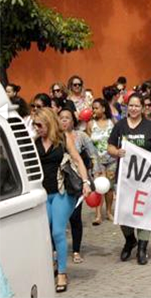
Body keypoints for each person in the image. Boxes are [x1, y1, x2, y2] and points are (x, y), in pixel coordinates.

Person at [33, 108, 91, 292]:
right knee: (46, 233)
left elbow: (78, 160)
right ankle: (54, 263)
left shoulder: (63, 139)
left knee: (58, 231)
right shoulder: (34, 142)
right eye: (35, 125)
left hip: (62, 192)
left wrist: (86, 182)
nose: (37, 128)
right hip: (43, 194)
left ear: (49, 122)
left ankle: (62, 274)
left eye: (39, 125)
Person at [107, 93, 151, 265]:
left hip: (145, 179)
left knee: (144, 212)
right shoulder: (120, 126)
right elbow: (110, 146)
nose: (133, 109)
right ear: (127, 107)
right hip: (125, 178)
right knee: (123, 212)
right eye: (131, 106)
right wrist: (117, 152)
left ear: (143, 108)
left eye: (137, 106)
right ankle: (129, 240)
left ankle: (142, 246)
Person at [58, 108, 98, 265]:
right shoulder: (54, 137)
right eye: (61, 118)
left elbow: (93, 154)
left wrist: (93, 174)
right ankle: (56, 251)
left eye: (67, 118)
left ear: (73, 121)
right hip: (60, 182)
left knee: (75, 217)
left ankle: (76, 250)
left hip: (75, 181)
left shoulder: (81, 136)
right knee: (58, 220)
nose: (64, 121)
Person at [87, 98, 116, 225]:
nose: (93, 110)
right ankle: (98, 215)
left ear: (104, 109)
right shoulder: (90, 124)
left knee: (109, 187)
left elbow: (118, 137)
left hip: (111, 159)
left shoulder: (112, 122)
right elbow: (88, 142)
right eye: (93, 108)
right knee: (98, 187)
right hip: (97, 160)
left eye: (96, 107)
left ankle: (109, 212)